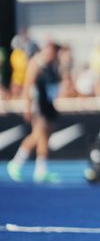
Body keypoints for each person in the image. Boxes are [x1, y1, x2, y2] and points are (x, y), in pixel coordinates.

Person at [7, 41, 61, 183]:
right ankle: (16, 163)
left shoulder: (53, 65)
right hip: (37, 105)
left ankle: (40, 170)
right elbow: (27, 86)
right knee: (38, 134)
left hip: (48, 105)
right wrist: (27, 107)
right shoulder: (36, 63)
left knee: (45, 135)